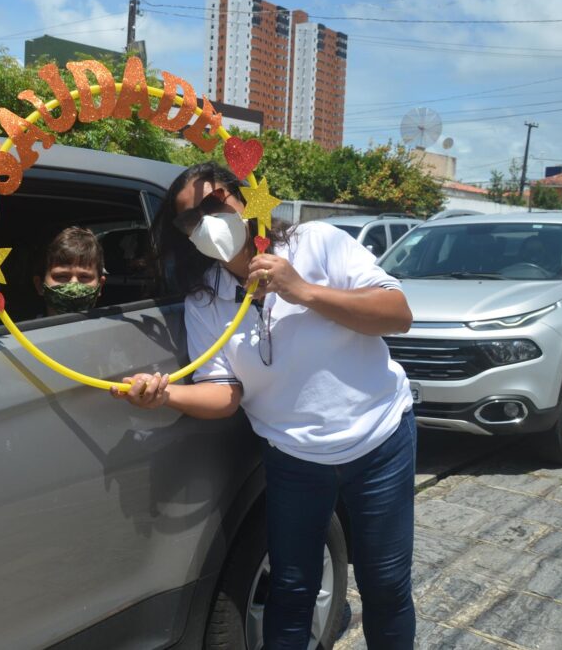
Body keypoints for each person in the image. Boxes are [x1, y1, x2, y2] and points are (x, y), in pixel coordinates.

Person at [111, 162, 416, 649]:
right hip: (295, 458)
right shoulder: (207, 299)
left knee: (385, 584)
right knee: (292, 589)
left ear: (243, 197)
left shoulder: (315, 243)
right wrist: (166, 394)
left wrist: (305, 291)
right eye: (190, 220)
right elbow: (225, 392)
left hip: (378, 442)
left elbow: (397, 315)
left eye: (214, 204)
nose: (207, 222)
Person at [33, 226, 106, 316]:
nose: (73, 288)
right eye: (62, 276)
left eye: (84, 277)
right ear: (39, 285)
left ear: (100, 286)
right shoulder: (20, 330)